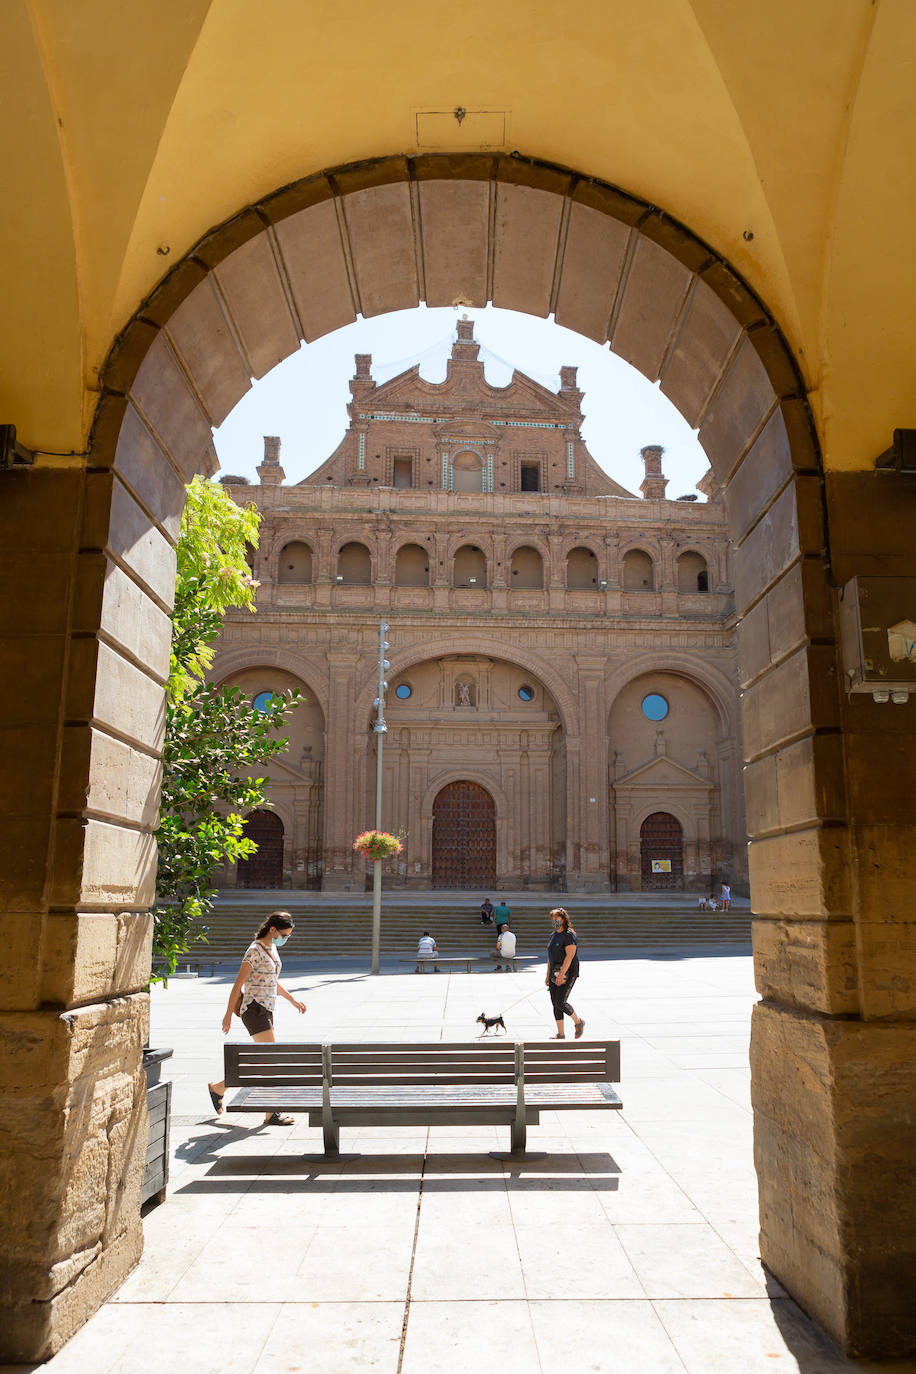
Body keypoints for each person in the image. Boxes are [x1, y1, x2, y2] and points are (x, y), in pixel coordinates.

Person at [207, 911, 307, 1125]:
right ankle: (271, 1113)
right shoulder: (254, 951)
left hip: (266, 1009)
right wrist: (227, 1016)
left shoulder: (271, 949)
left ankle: (219, 1088)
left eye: (288, 936)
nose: (285, 939)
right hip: (254, 1009)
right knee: (270, 1058)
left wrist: (292, 1000)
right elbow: (237, 984)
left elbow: (273, 982)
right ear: (273, 930)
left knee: (263, 1058)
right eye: (284, 935)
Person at [545, 907, 584, 1039]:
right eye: (553, 919)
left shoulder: (569, 935)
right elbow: (550, 957)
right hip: (554, 973)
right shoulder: (553, 935)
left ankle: (579, 1022)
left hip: (568, 972)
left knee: (560, 1002)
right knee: (554, 1003)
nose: (555, 921)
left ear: (563, 919)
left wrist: (562, 974)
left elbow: (570, 955)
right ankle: (560, 1033)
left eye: (557, 918)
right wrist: (547, 976)